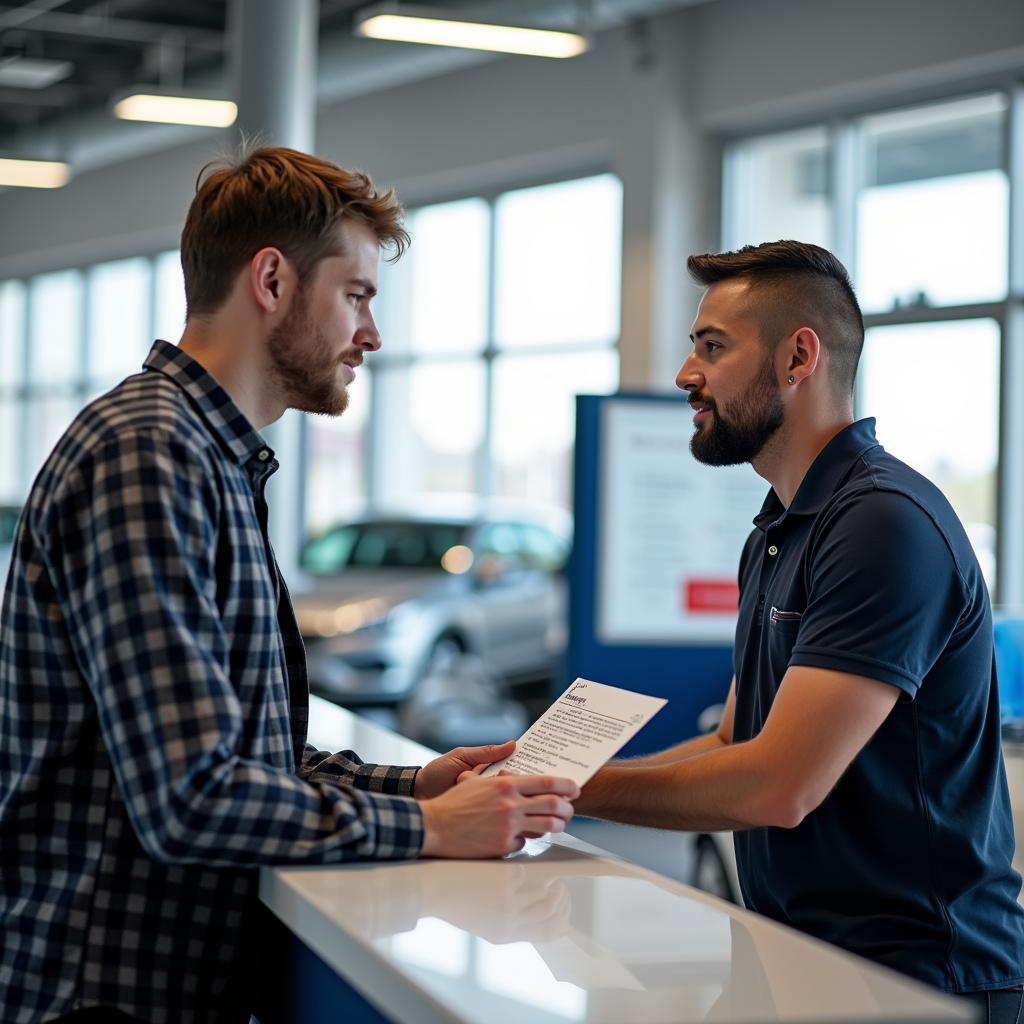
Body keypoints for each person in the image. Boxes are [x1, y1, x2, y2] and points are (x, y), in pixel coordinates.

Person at [0, 146, 578, 1024]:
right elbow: (191, 798)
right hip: (104, 995)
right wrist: (430, 831)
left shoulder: (205, 458)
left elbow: (244, 759)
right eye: (357, 295)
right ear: (271, 279)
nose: (372, 335)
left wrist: (418, 787)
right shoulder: (149, 455)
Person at [573, 240, 1024, 1019]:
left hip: (923, 984)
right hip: (807, 963)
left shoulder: (884, 522)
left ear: (797, 357)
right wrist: (554, 779)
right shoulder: (780, 531)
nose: (687, 375)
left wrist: (568, 790)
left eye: (712, 348)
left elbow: (780, 785)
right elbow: (735, 743)